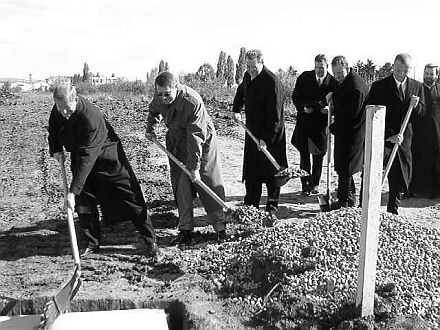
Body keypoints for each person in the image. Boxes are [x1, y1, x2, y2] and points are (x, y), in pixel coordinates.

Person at [48, 84, 158, 257]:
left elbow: (88, 155)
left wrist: (72, 191)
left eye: (68, 109)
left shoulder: (90, 116)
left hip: (108, 159)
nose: (64, 113)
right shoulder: (58, 109)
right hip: (81, 156)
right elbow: (53, 130)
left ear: (76, 100)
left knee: (130, 196)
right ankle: (92, 243)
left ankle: (150, 240)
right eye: (60, 108)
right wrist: (55, 149)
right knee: (84, 202)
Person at [146, 72, 226, 245]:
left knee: (207, 180)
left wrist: (195, 167)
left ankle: (220, 227)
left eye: (167, 94)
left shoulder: (192, 101)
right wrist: (150, 128)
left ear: (176, 87)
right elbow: (154, 110)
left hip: (201, 143)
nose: (163, 98)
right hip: (176, 141)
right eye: (160, 94)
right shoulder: (160, 96)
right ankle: (185, 229)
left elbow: (196, 136)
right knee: (181, 184)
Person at [366, 53, 425, 214]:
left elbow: (422, 113)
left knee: (398, 175)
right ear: (393, 67)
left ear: (409, 70)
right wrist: (388, 136)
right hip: (383, 138)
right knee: (373, 171)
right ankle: (366, 207)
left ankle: (393, 209)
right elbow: (372, 113)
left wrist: (417, 106)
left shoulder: (417, 86)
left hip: (403, 139)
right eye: (398, 70)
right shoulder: (380, 86)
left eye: (404, 71)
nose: (401, 74)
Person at [231, 49, 287, 214]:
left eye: (254, 67)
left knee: (272, 175)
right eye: (248, 67)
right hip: (252, 133)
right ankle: (251, 209)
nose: (250, 70)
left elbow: (276, 117)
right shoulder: (248, 77)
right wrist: (236, 109)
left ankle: (272, 210)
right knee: (252, 172)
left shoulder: (272, 83)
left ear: (262, 63)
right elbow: (241, 92)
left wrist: (266, 139)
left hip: (272, 135)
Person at [291, 54, 338, 195]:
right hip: (304, 122)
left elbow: (338, 102)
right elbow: (295, 96)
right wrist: (302, 108)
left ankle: (315, 184)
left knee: (318, 156)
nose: (319, 71)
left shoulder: (333, 82)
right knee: (304, 155)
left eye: (322, 68)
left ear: (327, 66)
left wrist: (330, 110)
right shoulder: (304, 77)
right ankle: (305, 185)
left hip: (321, 125)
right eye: (316, 67)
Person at [328, 55, 368, 208]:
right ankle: (350, 198)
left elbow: (351, 115)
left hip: (352, 133)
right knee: (344, 167)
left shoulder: (356, 86)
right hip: (345, 132)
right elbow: (341, 97)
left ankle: (343, 202)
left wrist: (332, 127)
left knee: (346, 167)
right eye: (335, 73)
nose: (337, 76)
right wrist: (332, 95)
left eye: (339, 72)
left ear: (347, 67)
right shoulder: (345, 81)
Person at [410, 63, 440, 198]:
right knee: (417, 158)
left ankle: (432, 190)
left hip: (435, 132)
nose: (428, 76)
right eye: (426, 73)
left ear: (436, 75)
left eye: (431, 74)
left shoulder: (439, 90)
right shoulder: (417, 89)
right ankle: (415, 189)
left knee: (433, 161)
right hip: (418, 131)